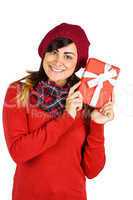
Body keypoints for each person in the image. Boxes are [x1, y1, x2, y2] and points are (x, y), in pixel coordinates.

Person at [2, 23, 114, 200]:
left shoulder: (86, 98)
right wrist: (66, 117)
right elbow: (19, 152)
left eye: (68, 56)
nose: (58, 61)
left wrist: (97, 124)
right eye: (54, 52)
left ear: (78, 63)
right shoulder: (18, 91)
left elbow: (92, 171)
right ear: (44, 54)